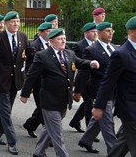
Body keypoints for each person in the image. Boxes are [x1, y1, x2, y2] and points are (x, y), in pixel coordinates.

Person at [20, 28, 99, 157]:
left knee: (49, 129)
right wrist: (25, 94)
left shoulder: (69, 54)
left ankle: (39, 152)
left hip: (63, 100)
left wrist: (91, 63)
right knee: (57, 132)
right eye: (60, 39)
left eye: (64, 38)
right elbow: (31, 76)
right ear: (51, 41)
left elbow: (79, 62)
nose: (63, 41)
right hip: (49, 101)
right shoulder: (42, 56)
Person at [0, 11, 33, 155]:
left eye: (18, 21)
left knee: (5, 111)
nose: (16, 24)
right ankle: (12, 142)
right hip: (0, 81)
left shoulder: (22, 36)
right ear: (7, 23)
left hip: (15, 81)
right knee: (6, 113)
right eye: (13, 21)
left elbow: (29, 52)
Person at [92, 15, 136, 157]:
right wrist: (99, 106)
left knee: (121, 145)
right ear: (131, 32)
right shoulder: (121, 54)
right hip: (131, 110)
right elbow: (108, 82)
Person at [76, 22, 118, 154]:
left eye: (112, 30)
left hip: (114, 90)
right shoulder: (91, 50)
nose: (111, 33)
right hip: (99, 90)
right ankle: (115, 151)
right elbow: (84, 72)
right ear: (99, 34)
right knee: (108, 122)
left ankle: (86, 140)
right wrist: (78, 90)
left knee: (98, 118)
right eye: (107, 31)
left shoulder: (113, 48)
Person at [22, 22, 52, 138]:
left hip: (49, 83)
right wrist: (29, 86)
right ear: (40, 33)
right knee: (43, 109)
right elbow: (30, 68)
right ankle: (48, 135)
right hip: (38, 83)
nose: (50, 34)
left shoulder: (52, 44)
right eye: (48, 32)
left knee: (43, 108)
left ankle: (30, 124)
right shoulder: (34, 46)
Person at [69, 22, 98, 133]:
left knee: (87, 103)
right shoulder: (79, 45)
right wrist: (77, 89)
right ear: (86, 33)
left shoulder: (97, 44)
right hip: (84, 79)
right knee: (89, 104)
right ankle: (90, 132)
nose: (95, 33)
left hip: (95, 80)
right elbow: (76, 63)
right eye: (92, 31)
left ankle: (75, 121)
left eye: (96, 31)